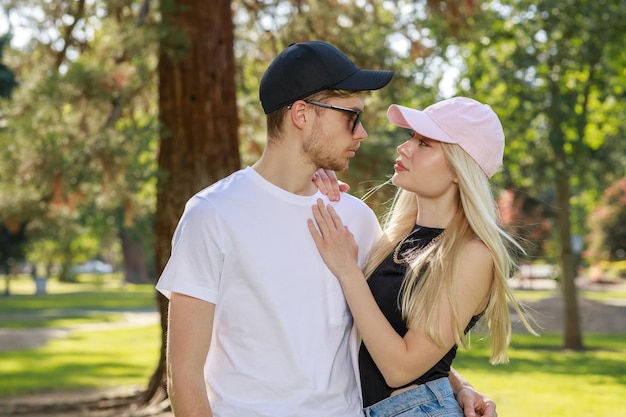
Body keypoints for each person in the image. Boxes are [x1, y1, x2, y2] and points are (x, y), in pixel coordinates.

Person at [156, 41, 495, 417]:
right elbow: (184, 371)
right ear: (302, 114)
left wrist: (456, 387)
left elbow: (400, 338)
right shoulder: (212, 214)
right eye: (351, 116)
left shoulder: (354, 219)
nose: (363, 133)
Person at [308, 97, 536, 416]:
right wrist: (315, 191)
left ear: (460, 167)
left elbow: (400, 369)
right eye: (411, 137)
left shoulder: (473, 253)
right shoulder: (399, 239)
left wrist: (348, 270)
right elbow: (408, 345)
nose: (404, 148)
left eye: (425, 143)